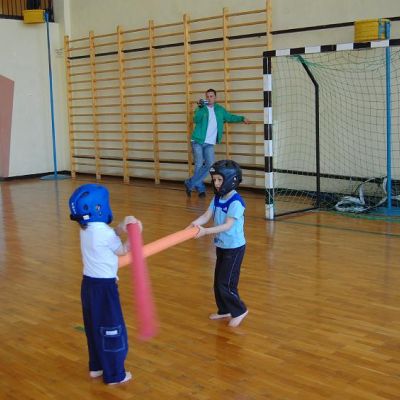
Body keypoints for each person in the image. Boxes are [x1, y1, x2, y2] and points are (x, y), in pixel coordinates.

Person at [69, 183, 140, 385]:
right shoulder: (105, 233)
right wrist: (135, 233)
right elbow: (122, 250)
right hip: (105, 289)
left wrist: (121, 227)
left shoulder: (86, 229)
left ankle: (97, 366)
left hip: (88, 286)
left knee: (94, 327)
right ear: (99, 207)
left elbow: (108, 236)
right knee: (111, 329)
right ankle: (115, 375)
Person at [187, 160, 248, 327]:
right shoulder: (217, 198)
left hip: (234, 248)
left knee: (225, 283)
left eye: (220, 180)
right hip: (222, 245)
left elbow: (228, 225)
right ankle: (225, 310)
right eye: (214, 180)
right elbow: (206, 216)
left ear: (231, 180)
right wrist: (194, 224)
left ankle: (240, 310)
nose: (216, 183)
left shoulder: (236, 202)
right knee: (218, 282)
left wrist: (205, 232)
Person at [184, 89, 249, 198]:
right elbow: (196, 119)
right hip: (198, 141)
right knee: (199, 165)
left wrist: (242, 118)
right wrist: (200, 107)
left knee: (210, 165)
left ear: (215, 97)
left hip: (209, 143)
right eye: (207, 96)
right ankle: (200, 189)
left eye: (211, 96)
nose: (209, 98)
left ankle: (189, 183)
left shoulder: (220, 110)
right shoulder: (202, 108)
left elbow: (229, 117)